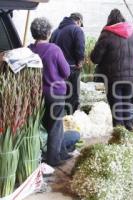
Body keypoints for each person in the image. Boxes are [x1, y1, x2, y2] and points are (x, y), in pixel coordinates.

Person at [91, 9, 133, 131]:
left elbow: (96, 58)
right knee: (128, 101)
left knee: (116, 104)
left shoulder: (107, 34)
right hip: (132, 77)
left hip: (113, 77)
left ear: (110, 21)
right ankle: (129, 126)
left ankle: (119, 130)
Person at [29, 17, 70, 166]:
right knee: (55, 125)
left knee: (47, 123)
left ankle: (63, 152)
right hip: (55, 93)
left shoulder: (29, 50)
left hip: (37, 95)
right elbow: (66, 72)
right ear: (48, 33)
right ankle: (53, 159)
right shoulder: (54, 49)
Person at [50, 12, 85, 115]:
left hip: (56, 70)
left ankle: (60, 118)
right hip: (71, 69)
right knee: (72, 97)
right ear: (78, 20)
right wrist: (80, 62)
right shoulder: (76, 29)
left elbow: (51, 48)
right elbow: (80, 49)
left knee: (60, 97)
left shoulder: (55, 31)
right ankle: (70, 119)